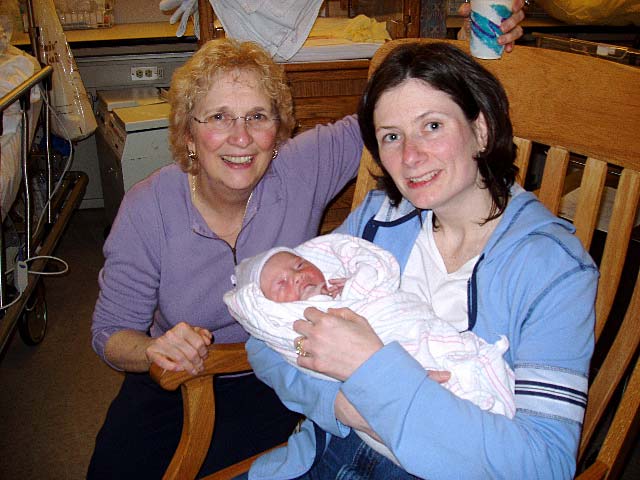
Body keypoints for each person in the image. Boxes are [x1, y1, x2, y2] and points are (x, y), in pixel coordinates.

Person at [88, 5, 527, 477]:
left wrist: (479, 37)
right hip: (174, 379)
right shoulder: (148, 208)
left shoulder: (299, 167)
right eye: (218, 116)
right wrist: (153, 349)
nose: (241, 138)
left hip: (276, 374)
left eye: (257, 116)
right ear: (188, 133)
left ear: (278, 131)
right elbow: (110, 334)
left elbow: (402, 104)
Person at [240, 41, 598, 480]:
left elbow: (544, 463)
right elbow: (262, 334)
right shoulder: (374, 223)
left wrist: (373, 372)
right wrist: (340, 405)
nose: (410, 157)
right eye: (392, 136)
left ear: (481, 131)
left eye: (431, 125)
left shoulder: (551, 271)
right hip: (323, 452)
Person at [224, 233, 515, 462]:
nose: (298, 276)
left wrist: (355, 286)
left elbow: (377, 282)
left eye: (300, 266)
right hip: (344, 439)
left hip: (433, 367)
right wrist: (344, 400)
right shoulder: (377, 213)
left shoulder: (538, 252)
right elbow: (262, 347)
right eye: (281, 283)